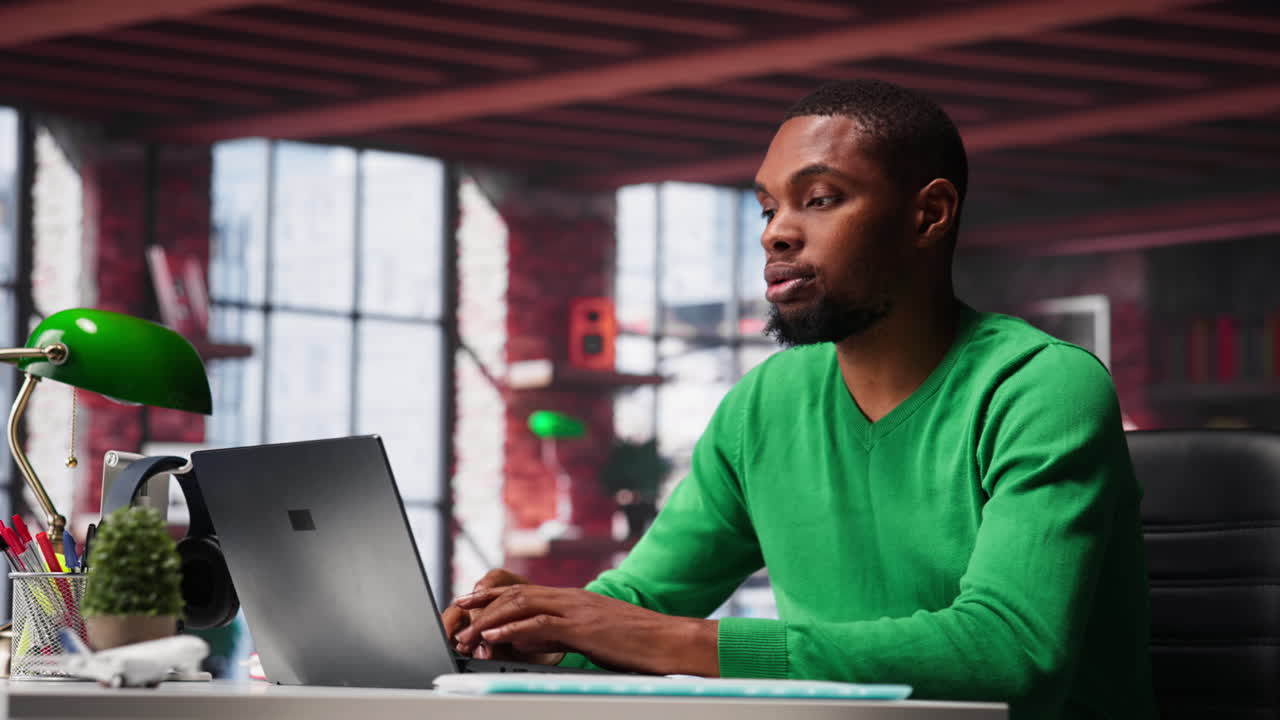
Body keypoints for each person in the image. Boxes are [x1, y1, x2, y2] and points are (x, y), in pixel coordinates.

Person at [444, 79, 1154, 719]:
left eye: (820, 199)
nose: (776, 231)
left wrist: (660, 638)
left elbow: (1009, 653)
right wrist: (536, 630)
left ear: (929, 216)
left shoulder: (1041, 387)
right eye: (767, 206)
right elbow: (643, 602)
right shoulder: (763, 405)